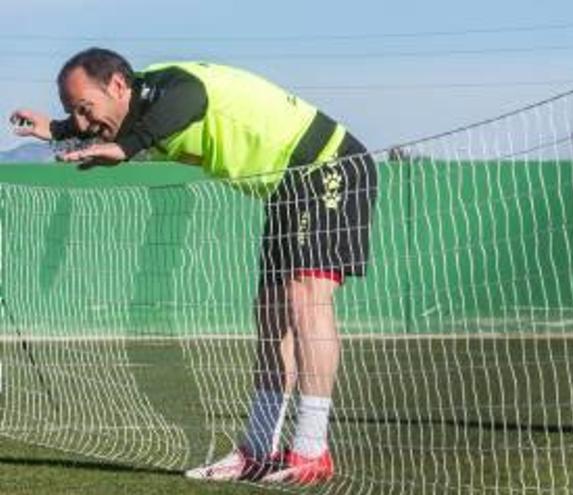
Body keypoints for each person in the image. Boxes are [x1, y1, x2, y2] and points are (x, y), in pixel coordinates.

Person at [10, 48, 378, 484]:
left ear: (117, 86)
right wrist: (55, 128)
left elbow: (192, 99)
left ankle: (312, 451)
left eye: (85, 109)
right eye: (76, 113)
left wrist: (126, 149)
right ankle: (258, 451)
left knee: (305, 297)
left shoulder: (174, 89)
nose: (86, 124)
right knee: (269, 313)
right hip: (286, 188)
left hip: (328, 165)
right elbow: (102, 121)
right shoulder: (135, 104)